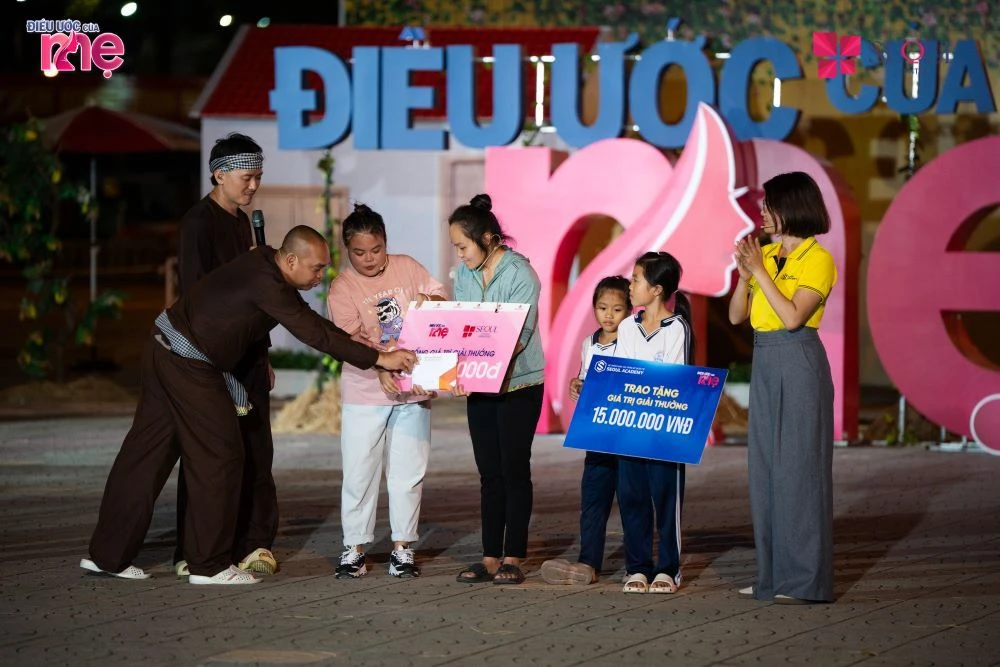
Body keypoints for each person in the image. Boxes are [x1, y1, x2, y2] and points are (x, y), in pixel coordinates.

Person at [80, 226, 417, 585]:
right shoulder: (266, 281)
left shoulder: (265, 265)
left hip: (163, 347)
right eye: (317, 268)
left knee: (146, 454)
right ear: (291, 260)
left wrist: (372, 354)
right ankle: (208, 565)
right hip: (188, 362)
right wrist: (379, 358)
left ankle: (108, 556)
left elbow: (314, 323)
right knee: (221, 455)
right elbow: (314, 333)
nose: (321, 276)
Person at [173, 132, 278, 579]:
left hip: (248, 353)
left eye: (258, 177)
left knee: (257, 449)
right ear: (219, 174)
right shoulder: (198, 223)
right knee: (208, 453)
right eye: (246, 177)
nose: (253, 186)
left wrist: (263, 354)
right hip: (211, 356)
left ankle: (254, 543)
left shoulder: (244, 222)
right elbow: (196, 295)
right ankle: (193, 547)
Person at [729, 171, 837, 605]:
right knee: (766, 472)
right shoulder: (767, 254)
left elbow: (793, 317)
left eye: (768, 205)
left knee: (800, 471)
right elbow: (737, 316)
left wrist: (760, 271)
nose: (762, 212)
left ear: (791, 207)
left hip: (799, 359)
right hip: (765, 359)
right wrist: (745, 276)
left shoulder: (818, 259)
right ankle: (771, 578)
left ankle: (805, 581)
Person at [326, 203, 448, 579]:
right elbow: (348, 339)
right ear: (347, 249)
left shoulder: (408, 267)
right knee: (359, 471)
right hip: (364, 390)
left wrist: (432, 303)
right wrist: (379, 365)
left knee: (408, 471)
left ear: (386, 243)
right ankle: (354, 548)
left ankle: (402, 548)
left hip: (413, 386)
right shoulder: (342, 287)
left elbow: (442, 302)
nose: (368, 259)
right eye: (359, 252)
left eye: (376, 250)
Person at [449, 194, 544, 586]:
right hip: (479, 384)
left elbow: (520, 334)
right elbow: (461, 327)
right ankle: (490, 557)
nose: (460, 255)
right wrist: (455, 370)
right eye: (456, 248)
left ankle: (514, 555)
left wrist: (477, 364)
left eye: (463, 246)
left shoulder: (522, 274)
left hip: (519, 383)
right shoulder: (464, 276)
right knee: (489, 472)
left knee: (513, 470)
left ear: (487, 239)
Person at [540, 276, 632, 586]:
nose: (609, 315)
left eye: (617, 309)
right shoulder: (589, 343)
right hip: (597, 435)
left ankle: (637, 564)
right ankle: (588, 562)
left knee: (631, 501)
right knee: (593, 500)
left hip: (627, 436)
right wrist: (576, 385)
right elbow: (584, 378)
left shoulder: (634, 342)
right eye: (603, 308)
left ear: (629, 310)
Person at [616, 252, 692, 594]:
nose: (630, 286)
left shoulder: (677, 328)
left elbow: (674, 379)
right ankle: (637, 567)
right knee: (631, 496)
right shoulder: (626, 327)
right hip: (629, 428)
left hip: (664, 432)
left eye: (636, 279)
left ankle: (669, 569)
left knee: (666, 499)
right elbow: (621, 375)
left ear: (657, 289)